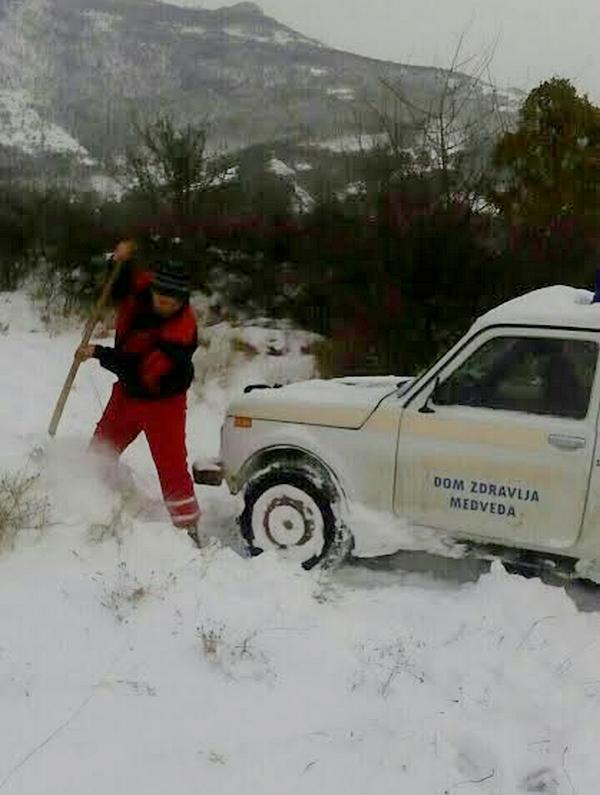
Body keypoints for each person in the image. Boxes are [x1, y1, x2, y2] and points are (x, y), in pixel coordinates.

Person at [76, 241, 202, 545]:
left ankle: (188, 530)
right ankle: (91, 508)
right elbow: (120, 288)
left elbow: (140, 371)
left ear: (182, 299)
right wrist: (117, 261)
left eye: (173, 302)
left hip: (162, 402)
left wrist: (98, 353)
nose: (165, 305)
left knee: (172, 468)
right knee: (100, 452)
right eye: (161, 298)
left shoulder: (181, 331)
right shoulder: (144, 286)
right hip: (127, 395)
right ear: (154, 289)